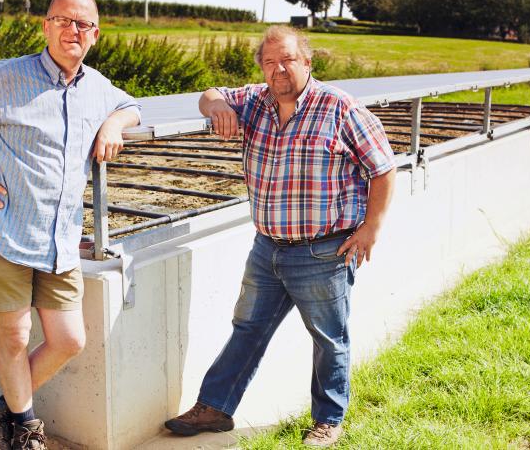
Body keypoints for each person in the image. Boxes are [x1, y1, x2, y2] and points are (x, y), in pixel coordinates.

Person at [0, 0, 141, 450]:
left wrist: (113, 124)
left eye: (82, 24)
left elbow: (131, 105)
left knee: (68, 340)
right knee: (16, 335)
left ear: (95, 35)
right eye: (62, 20)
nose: (72, 30)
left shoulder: (96, 87)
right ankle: (25, 430)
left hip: (58, 239)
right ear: (45, 27)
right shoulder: (6, 78)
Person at [164, 25, 396, 447]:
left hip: (324, 250)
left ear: (307, 61)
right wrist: (218, 106)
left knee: (329, 338)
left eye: (287, 59)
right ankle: (215, 407)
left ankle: (328, 419)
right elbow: (209, 93)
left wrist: (371, 228)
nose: (278, 69)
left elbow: (383, 167)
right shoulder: (255, 101)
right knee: (247, 328)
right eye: (269, 62)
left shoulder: (340, 108)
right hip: (267, 248)